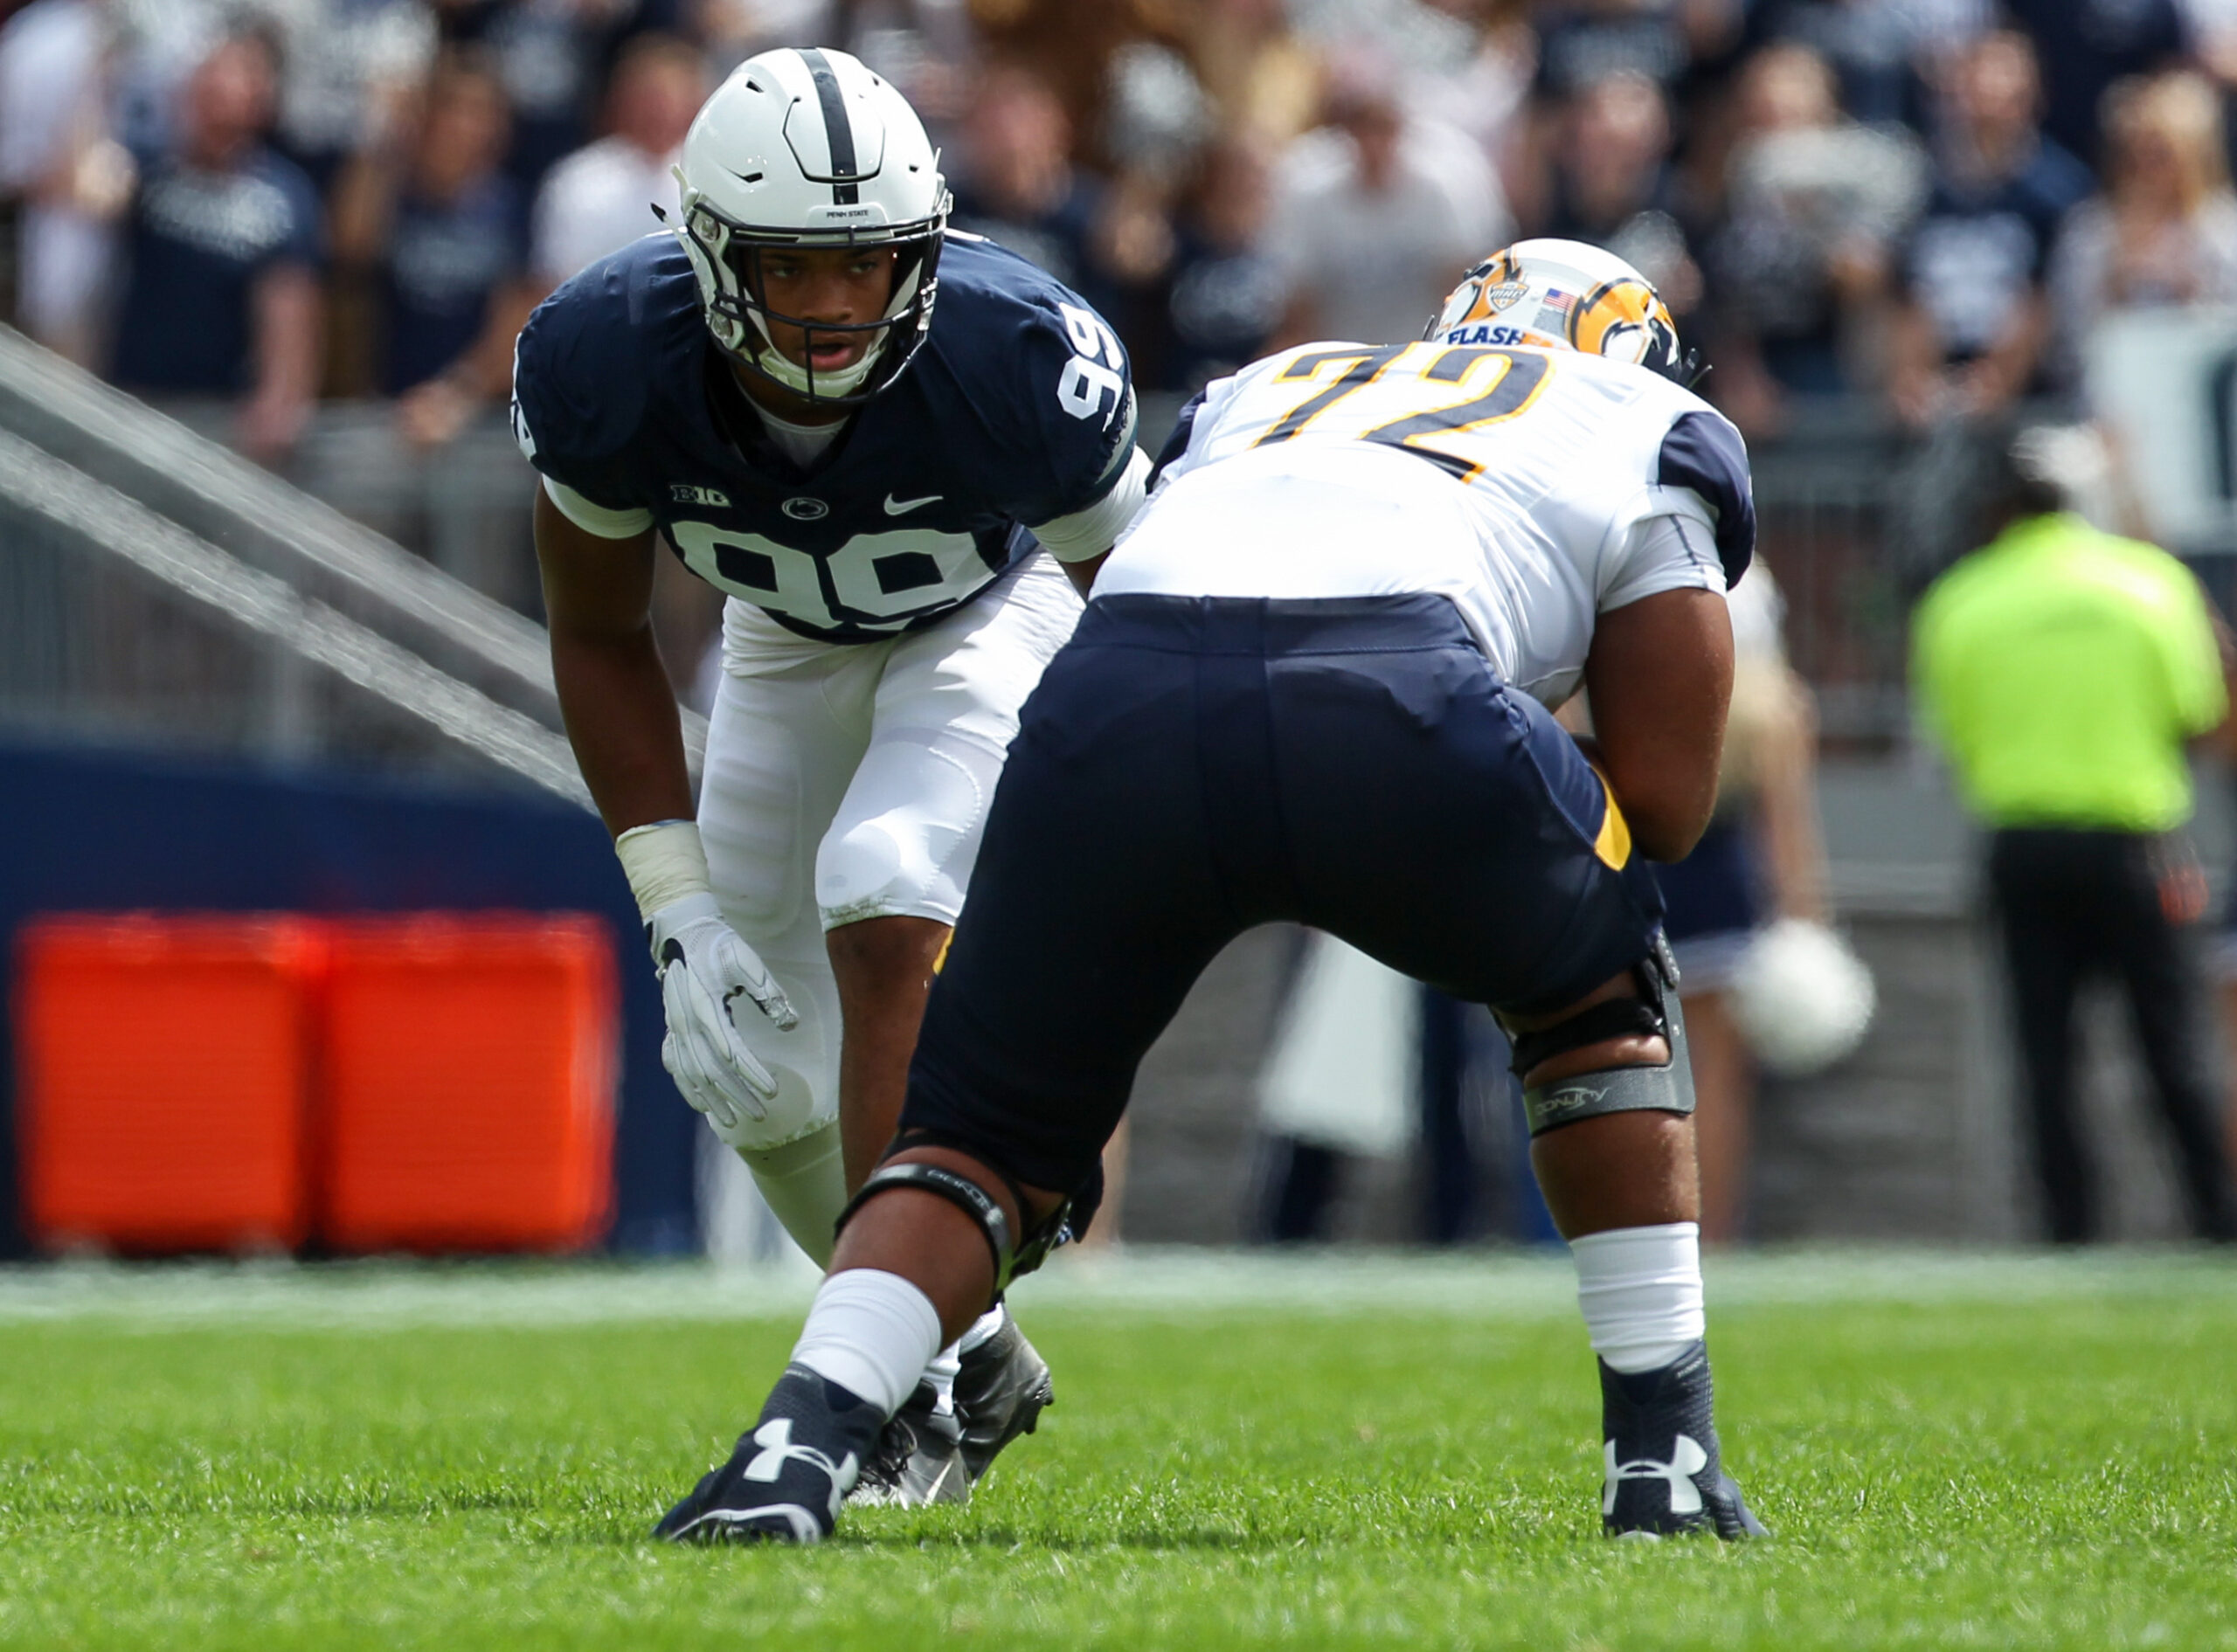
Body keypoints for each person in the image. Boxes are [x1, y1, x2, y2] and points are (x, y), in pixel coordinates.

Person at [655, 237, 1768, 1545]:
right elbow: (1672, 798)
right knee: (1602, 987)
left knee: (976, 1136)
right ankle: (1665, 1457)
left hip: (1117, 689)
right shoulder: (1643, 412)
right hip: (1397, 690)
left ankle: (798, 1443)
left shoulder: (1274, 378)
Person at [509, 46, 1148, 1504]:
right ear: (716, 249)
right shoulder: (607, 350)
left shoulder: (1012, 347)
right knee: (742, 1062)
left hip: (990, 616)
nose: (838, 304)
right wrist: (671, 905)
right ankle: (965, 1348)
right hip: (783, 640)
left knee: (886, 879)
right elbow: (601, 631)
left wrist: (1097, 893)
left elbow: (1143, 608)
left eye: (869, 265)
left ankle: (877, 1392)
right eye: (796, 265)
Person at [1911, 425, 2237, 1244]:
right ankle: (2214, 1221)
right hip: (2138, 842)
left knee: (2044, 1056)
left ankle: (2069, 1233)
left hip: (2021, 844)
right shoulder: (2150, 584)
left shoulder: (1962, 598)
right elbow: (2197, 712)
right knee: (2174, 1043)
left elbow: (1954, 733)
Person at [105, 24, 323, 463]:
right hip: (137, 404)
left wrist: (281, 397)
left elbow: (290, 302)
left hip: (222, 423)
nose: (214, 100)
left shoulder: (281, 199)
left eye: (230, 86)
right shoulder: (150, 173)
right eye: (206, 85)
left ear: (260, 102)